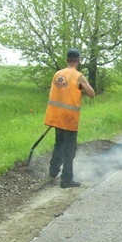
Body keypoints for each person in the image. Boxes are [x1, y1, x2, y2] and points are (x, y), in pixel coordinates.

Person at [44, 48, 96, 188]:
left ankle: (53, 172)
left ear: (67, 60)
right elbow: (92, 94)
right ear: (78, 60)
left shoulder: (57, 74)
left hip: (56, 116)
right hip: (69, 118)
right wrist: (83, 88)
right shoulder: (78, 76)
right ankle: (66, 180)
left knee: (58, 145)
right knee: (69, 150)